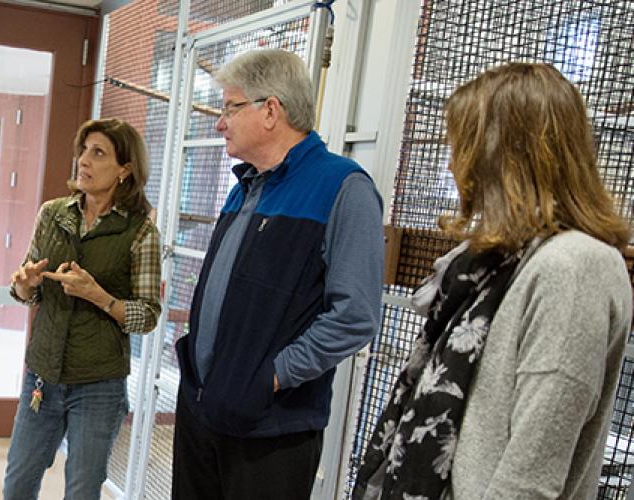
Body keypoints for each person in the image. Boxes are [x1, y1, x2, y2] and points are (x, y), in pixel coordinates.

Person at [352, 63, 633, 499]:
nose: (451, 164)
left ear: (503, 154)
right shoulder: (496, 260)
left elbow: (532, 472)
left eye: (461, 147)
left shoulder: (575, 266)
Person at [172, 48, 385, 499]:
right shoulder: (246, 185)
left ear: (271, 110)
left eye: (229, 107)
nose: (219, 121)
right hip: (204, 411)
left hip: (271, 428)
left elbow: (355, 316)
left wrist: (273, 375)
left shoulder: (344, 187)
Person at [3, 118, 162, 500]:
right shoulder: (53, 214)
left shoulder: (140, 231)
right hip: (42, 376)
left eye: (98, 153)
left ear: (125, 169)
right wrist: (24, 285)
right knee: (18, 483)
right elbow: (28, 291)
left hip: (99, 384)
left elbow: (149, 314)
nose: (84, 161)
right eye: (83, 151)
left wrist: (100, 297)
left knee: (82, 490)